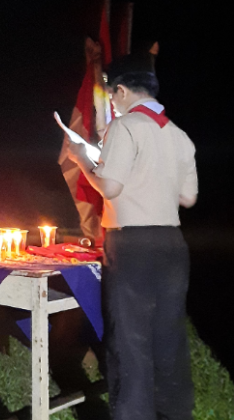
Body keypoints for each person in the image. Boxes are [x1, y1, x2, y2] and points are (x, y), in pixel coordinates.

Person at [67, 55, 198, 420]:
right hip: (171, 245)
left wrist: (81, 159)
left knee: (130, 339)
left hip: (132, 247)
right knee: (168, 335)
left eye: (112, 95)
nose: (112, 102)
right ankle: (175, 413)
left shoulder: (125, 127)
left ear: (122, 91)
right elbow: (188, 197)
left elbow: (110, 186)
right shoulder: (178, 134)